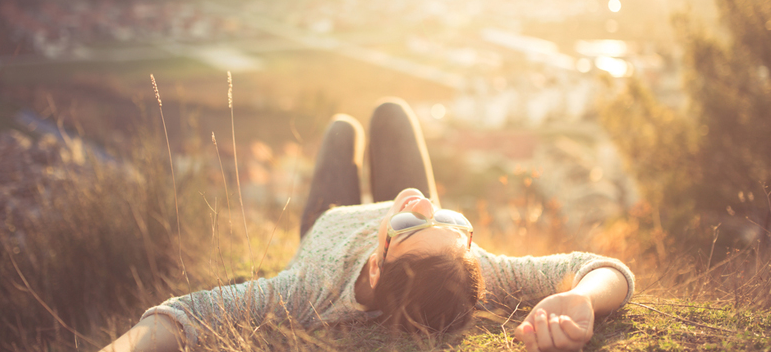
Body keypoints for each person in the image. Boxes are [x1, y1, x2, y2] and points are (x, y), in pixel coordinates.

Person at [101, 98, 634, 352]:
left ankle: (346, 141)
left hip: (328, 221)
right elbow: (599, 267)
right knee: (392, 114)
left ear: (376, 266)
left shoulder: (309, 290)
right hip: (407, 239)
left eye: (410, 222)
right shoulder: (475, 266)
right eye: (448, 219)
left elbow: (187, 315)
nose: (425, 203)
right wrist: (586, 298)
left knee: (340, 130)